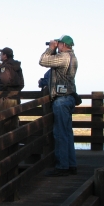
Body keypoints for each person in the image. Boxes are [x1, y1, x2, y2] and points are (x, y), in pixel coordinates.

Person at [39, 35, 78, 177]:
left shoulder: (64, 57)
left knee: (60, 133)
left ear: (63, 45)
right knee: (67, 133)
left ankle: (63, 167)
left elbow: (43, 61)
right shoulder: (71, 57)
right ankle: (71, 164)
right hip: (68, 98)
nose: (56, 45)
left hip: (61, 100)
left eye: (58, 43)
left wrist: (50, 49)